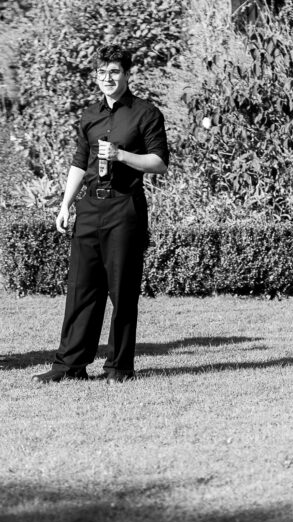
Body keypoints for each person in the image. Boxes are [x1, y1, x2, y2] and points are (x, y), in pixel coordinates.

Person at [33, 44, 169, 384]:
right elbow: (80, 162)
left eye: (114, 72)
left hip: (125, 206)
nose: (107, 78)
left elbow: (159, 163)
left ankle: (118, 367)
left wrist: (122, 155)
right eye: (101, 73)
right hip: (89, 207)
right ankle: (69, 366)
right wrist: (65, 204)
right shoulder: (89, 115)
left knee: (122, 291)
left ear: (126, 74)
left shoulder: (146, 113)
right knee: (81, 288)